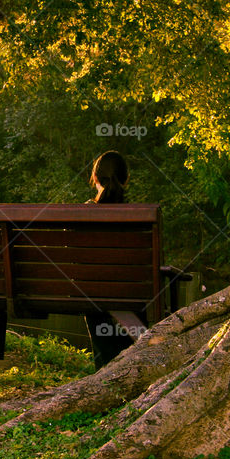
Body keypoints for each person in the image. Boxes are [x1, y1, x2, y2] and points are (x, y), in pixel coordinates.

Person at [85, 150, 133, 368]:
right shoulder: (138, 215)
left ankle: (105, 369)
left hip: (92, 293)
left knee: (93, 303)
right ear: (125, 179)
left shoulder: (85, 213)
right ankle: (124, 362)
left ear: (95, 178)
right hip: (132, 293)